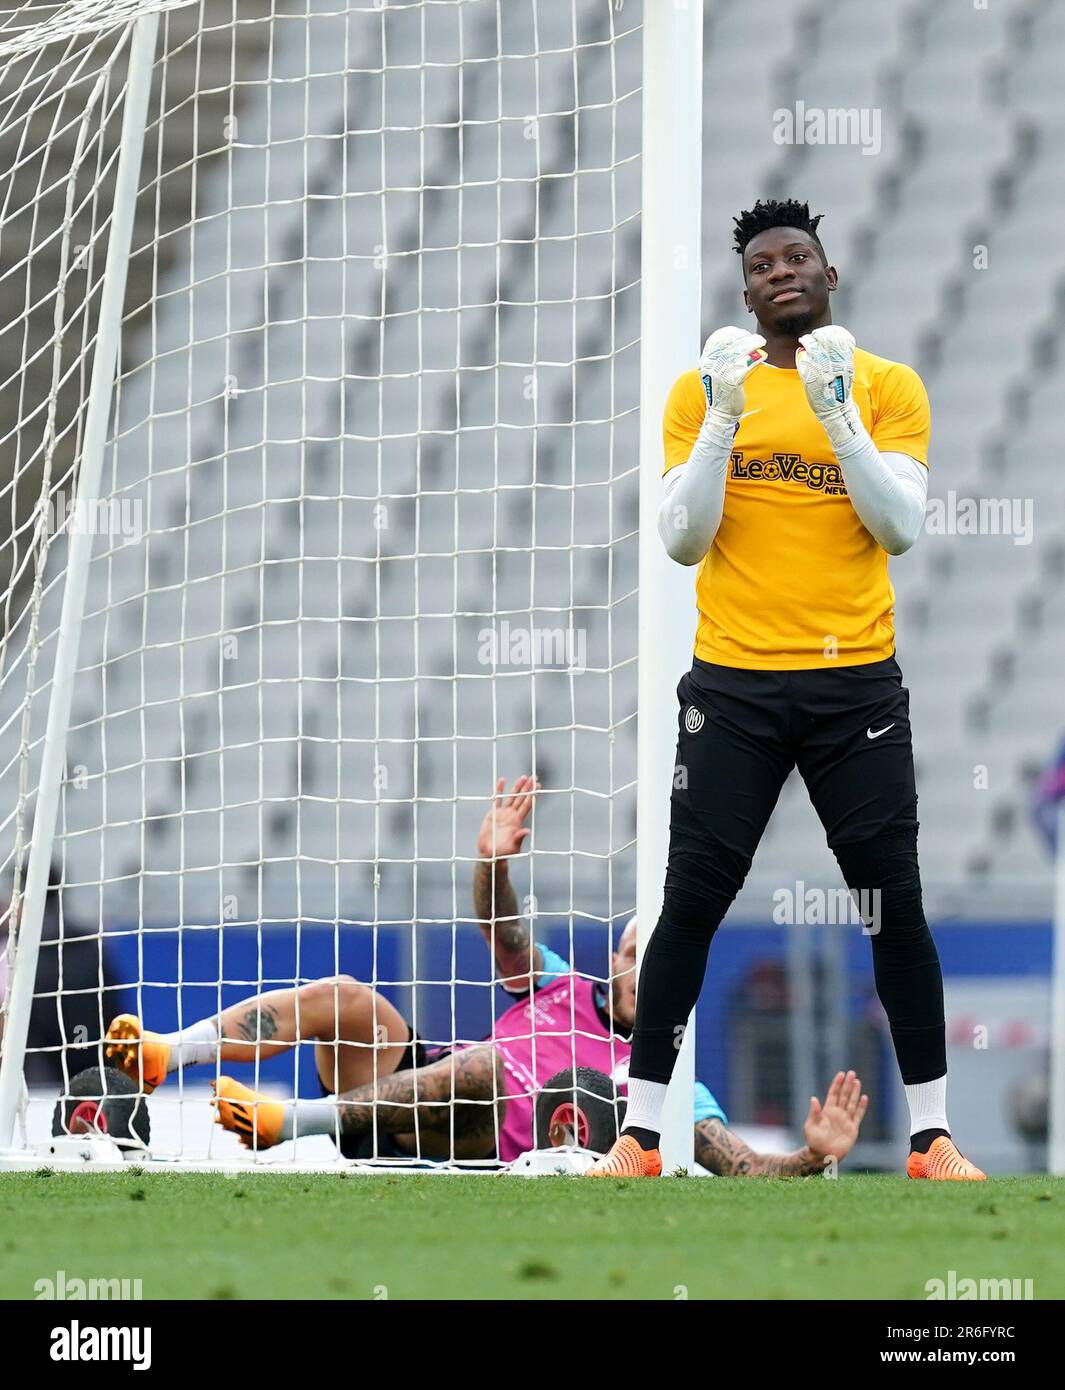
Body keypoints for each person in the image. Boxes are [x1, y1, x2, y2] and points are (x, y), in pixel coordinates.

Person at [588, 198, 983, 1181]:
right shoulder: (703, 392)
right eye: (762, 264)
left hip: (855, 689)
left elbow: (898, 526)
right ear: (747, 288)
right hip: (738, 684)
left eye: (796, 257)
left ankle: (930, 1139)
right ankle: (640, 1136)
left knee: (893, 903)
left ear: (828, 274)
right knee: (689, 906)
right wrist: (723, 415)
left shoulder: (887, 387)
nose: (780, 273)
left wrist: (840, 411)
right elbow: (682, 539)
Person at [102, 777, 867, 1174]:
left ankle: (289, 1126)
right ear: (614, 960)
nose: (640, 969)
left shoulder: (672, 1083)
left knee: (498, 1070)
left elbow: (738, 1167)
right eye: (632, 953)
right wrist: (491, 865)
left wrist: (811, 1156)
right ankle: (174, 1050)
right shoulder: (561, 985)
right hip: (406, 1090)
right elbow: (501, 931)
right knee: (347, 999)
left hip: (477, 1145)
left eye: (659, 960)